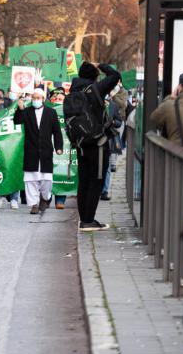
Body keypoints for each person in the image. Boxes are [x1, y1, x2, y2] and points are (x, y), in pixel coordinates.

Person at [70, 62, 121, 232]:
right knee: (97, 181)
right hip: (97, 143)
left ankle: (84, 219)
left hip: (80, 143)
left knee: (83, 181)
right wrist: (103, 65)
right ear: (94, 76)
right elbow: (115, 76)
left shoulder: (74, 91)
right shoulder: (95, 89)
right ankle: (88, 220)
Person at [13, 88, 63, 214]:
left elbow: (57, 132)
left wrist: (59, 147)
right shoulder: (27, 111)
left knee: (47, 180)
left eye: (38, 98)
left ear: (43, 99)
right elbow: (17, 121)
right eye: (33, 97)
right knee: (31, 180)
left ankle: (45, 198)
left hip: (46, 151)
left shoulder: (51, 112)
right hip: (31, 151)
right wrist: (20, 108)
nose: (35, 100)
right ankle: (34, 204)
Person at [101, 86, 126, 201]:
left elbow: (119, 122)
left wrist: (113, 122)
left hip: (109, 139)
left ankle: (105, 191)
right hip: (96, 139)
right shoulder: (94, 104)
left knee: (106, 166)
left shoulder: (114, 106)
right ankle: (96, 189)